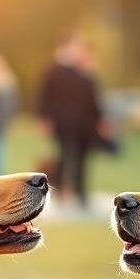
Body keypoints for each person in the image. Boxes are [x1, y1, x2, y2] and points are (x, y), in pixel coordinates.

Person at [37, 33, 105, 209]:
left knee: (82, 158)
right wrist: (45, 119)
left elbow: (92, 99)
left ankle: (81, 193)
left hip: (83, 124)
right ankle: (59, 193)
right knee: (65, 156)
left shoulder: (81, 70)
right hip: (63, 123)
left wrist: (99, 120)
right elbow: (45, 97)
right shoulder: (54, 71)